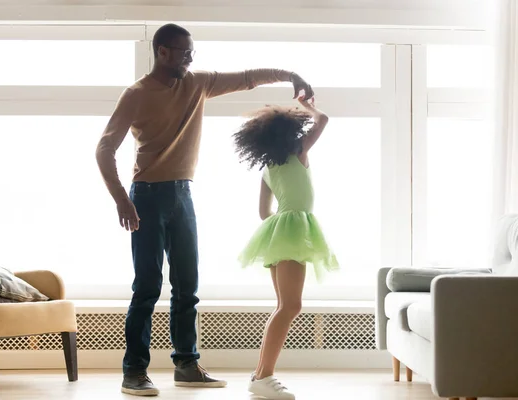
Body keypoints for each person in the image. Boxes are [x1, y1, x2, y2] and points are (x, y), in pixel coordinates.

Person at [95, 23, 315, 397]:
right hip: (146, 196)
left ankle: (186, 365)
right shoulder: (136, 94)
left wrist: (289, 75)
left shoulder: (197, 83)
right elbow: (104, 149)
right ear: (162, 51)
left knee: (187, 286)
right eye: (183, 52)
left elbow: (246, 78)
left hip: (183, 195)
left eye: (192, 52)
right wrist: (122, 200)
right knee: (147, 286)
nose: (190, 58)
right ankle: (134, 372)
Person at [233, 97, 339, 400]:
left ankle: (260, 375)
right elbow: (324, 120)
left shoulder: (268, 166)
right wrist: (309, 106)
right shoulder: (298, 152)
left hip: (277, 232)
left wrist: (280, 229)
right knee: (291, 306)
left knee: (285, 306)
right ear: (290, 134)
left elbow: (264, 212)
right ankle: (263, 375)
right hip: (291, 232)